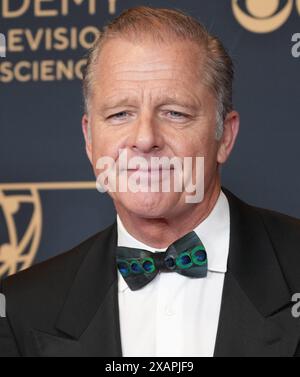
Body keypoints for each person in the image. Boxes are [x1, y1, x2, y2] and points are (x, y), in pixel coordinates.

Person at [0, 6, 299, 357]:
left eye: (175, 113)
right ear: (89, 140)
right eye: (120, 114)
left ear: (224, 137)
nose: (144, 139)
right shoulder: (21, 309)